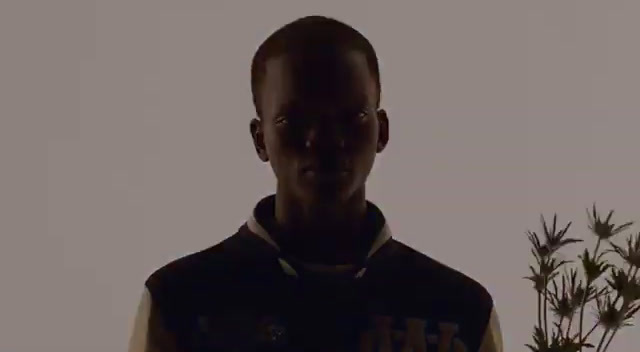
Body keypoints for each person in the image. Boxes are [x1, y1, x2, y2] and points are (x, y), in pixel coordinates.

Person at [128, 15, 503, 352]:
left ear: (382, 131)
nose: (325, 140)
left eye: (351, 116)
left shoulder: (461, 314)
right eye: (293, 120)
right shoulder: (180, 304)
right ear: (260, 140)